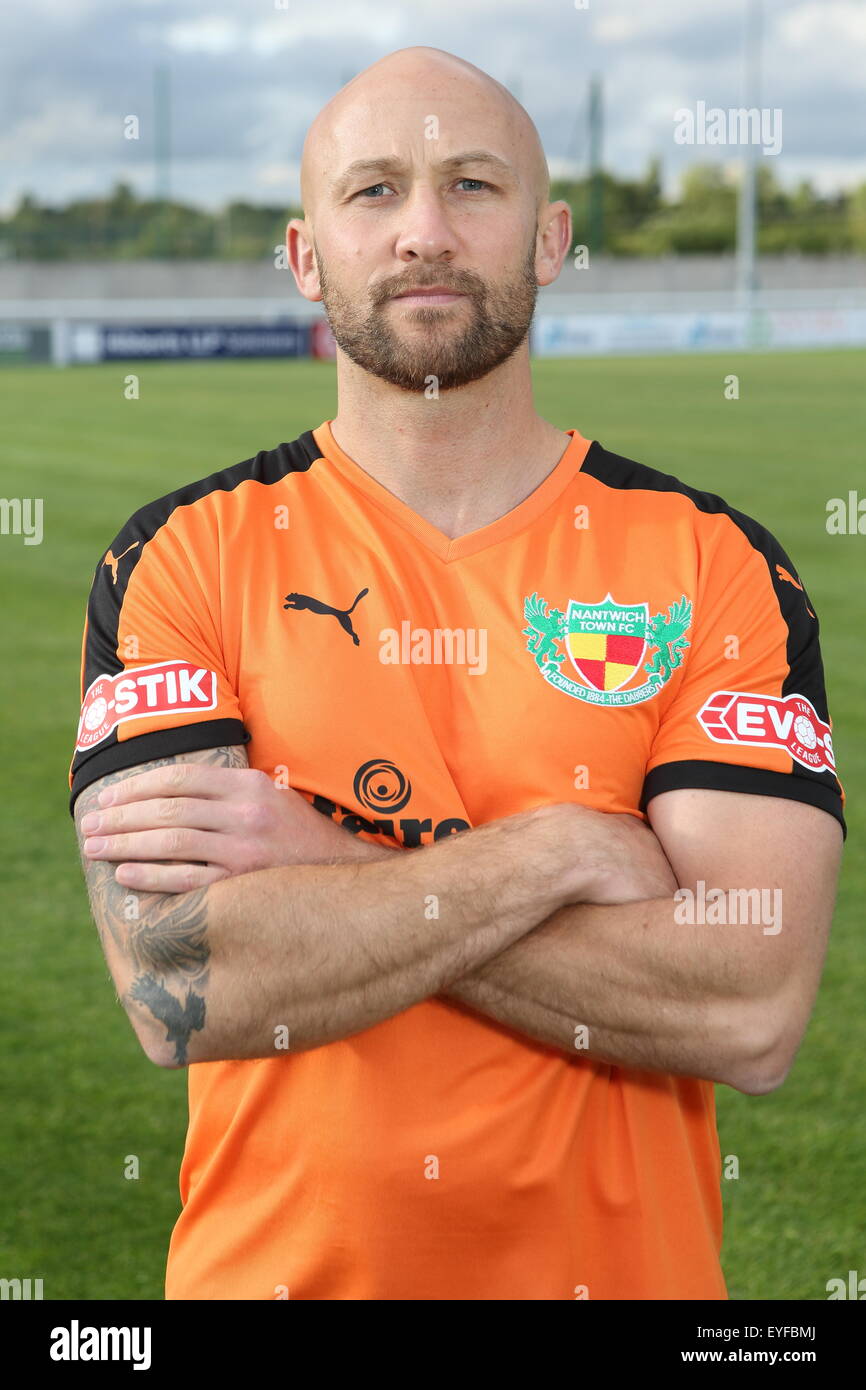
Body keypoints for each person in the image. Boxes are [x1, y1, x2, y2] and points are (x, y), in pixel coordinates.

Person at [69, 47, 844, 1301]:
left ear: (548, 240)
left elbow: (746, 1007)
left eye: (471, 186)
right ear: (304, 254)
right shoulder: (182, 556)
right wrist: (555, 852)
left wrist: (322, 863)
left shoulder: (711, 562)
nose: (424, 231)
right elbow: (184, 990)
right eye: (372, 191)